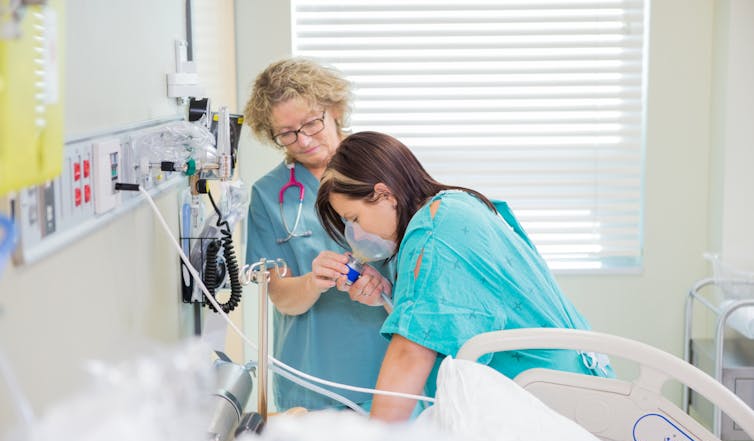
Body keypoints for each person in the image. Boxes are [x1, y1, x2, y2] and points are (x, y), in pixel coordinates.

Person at [315, 131, 613, 422]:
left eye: (353, 218)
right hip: (571, 384)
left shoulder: (432, 233)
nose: (354, 233)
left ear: (384, 194)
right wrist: (390, 296)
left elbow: (411, 352)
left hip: (555, 401)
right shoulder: (454, 206)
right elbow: (464, 310)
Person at [243, 58, 392, 412]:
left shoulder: (384, 163)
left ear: (335, 109)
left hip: (387, 363)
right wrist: (313, 281)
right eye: (287, 133)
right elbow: (280, 296)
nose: (304, 140)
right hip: (312, 376)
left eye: (312, 123)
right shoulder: (269, 194)